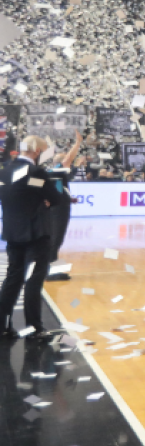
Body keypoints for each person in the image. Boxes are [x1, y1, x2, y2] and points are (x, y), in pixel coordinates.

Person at [0, 135, 68, 340]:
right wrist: (45, 198)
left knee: (13, 278)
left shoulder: (5, 170)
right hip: (36, 233)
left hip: (12, 232)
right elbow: (56, 197)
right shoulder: (35, 172)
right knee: (33, 280)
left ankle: (3, 326)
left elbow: (13, 193)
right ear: (37, 151)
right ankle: (34, 328)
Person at [45, 130, 83, 282]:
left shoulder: (55, 174)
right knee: (55, 240)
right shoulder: (58, 170)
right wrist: (78, 142)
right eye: (69, 163)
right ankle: (49, 272)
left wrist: (69, 198)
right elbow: (68, 158)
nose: (70, 165)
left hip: (58, 207)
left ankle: (52, 270)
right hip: (58, 210)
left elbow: (57, 191)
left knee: (56, 240)